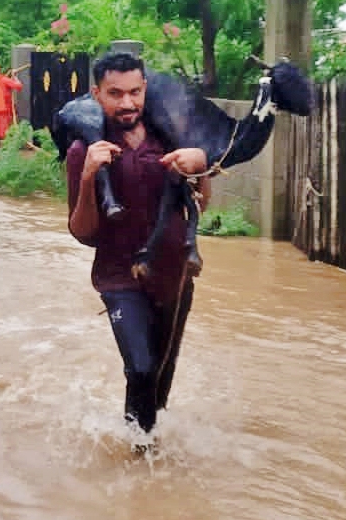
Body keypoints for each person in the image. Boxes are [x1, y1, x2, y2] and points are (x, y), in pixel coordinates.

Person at [64, 52, 211, 437]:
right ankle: (142, 459)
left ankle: (146, 459)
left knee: (159, 378)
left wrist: (202, 167)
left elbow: (199, 207)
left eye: (134, 92)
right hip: (119, 279)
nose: (127, 103)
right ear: (97, 94)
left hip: (174, 275)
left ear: (145, 88)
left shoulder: (170, 137)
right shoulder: (85, 150)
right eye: (115, 93)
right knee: (141, 369)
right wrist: (87, 178)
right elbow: (82, 233)